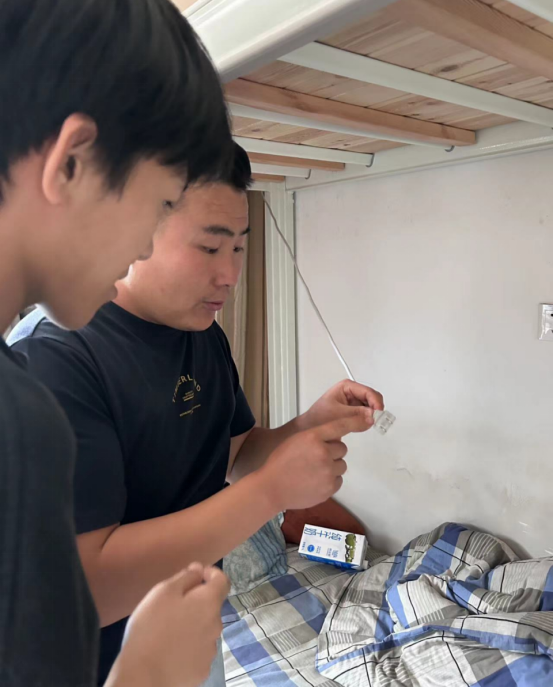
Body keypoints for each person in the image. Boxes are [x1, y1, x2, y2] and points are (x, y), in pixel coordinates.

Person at [10, 145, 383, 685]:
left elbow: (232, 455)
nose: (230, 274)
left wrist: (309, 425)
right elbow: (85, 588)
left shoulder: (202, 334)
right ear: (136, 230)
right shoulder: (55, 357)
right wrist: (270, 494)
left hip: (191, 630)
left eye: (239, 247)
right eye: (210, 247)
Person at [0, 0, 245, 684]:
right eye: (160, 203)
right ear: (72, 163)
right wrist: (149, 673)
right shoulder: (31, 401)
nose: (142, 244)